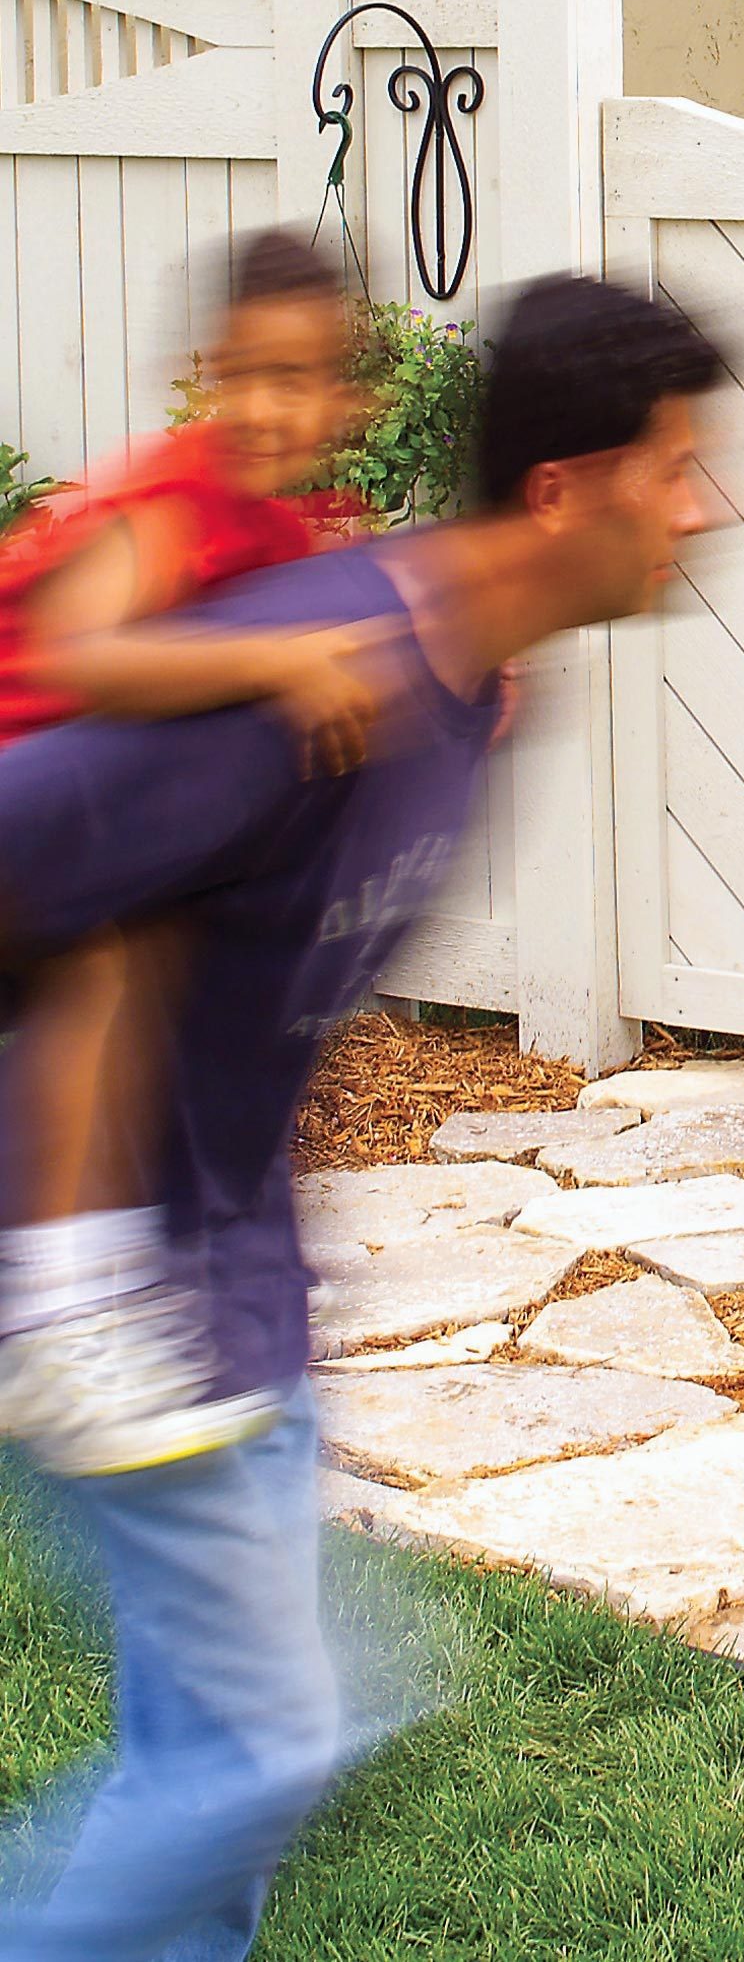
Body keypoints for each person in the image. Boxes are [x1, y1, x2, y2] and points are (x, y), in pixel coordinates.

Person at [0, 272, 724, 1962]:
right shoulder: (308, 682)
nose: (709, 506)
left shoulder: (477, 694)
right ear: (564, 489)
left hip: (225, 1272)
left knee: (220, 1768)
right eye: (676, 465)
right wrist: (73, 1257)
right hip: (88, 1273)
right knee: (259, 1743)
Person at [0, 228, 386, 1473]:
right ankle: (54, 1318)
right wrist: (275, 659)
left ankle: (122, 1274)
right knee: (115, 958)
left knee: (167, 961)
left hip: (92, 823)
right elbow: (81, 652)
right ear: (208, 375)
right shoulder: (174, 498)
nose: (274, 407)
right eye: (251, 376)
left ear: (349, 395)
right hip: (29, 812)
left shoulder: (289, 529)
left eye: (306, 378)